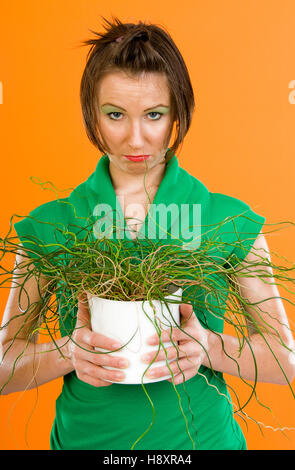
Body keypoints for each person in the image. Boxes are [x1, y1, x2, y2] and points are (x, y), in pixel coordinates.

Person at [1, 16, 295, 451]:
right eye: (115, 114)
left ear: (178, 114)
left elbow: (285, 361)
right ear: (91, 115)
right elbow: (5, 366)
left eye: (154, 115)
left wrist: (210, 347)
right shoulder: (51, 226)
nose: (135, 139)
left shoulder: (228, 220)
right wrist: (68, 352)